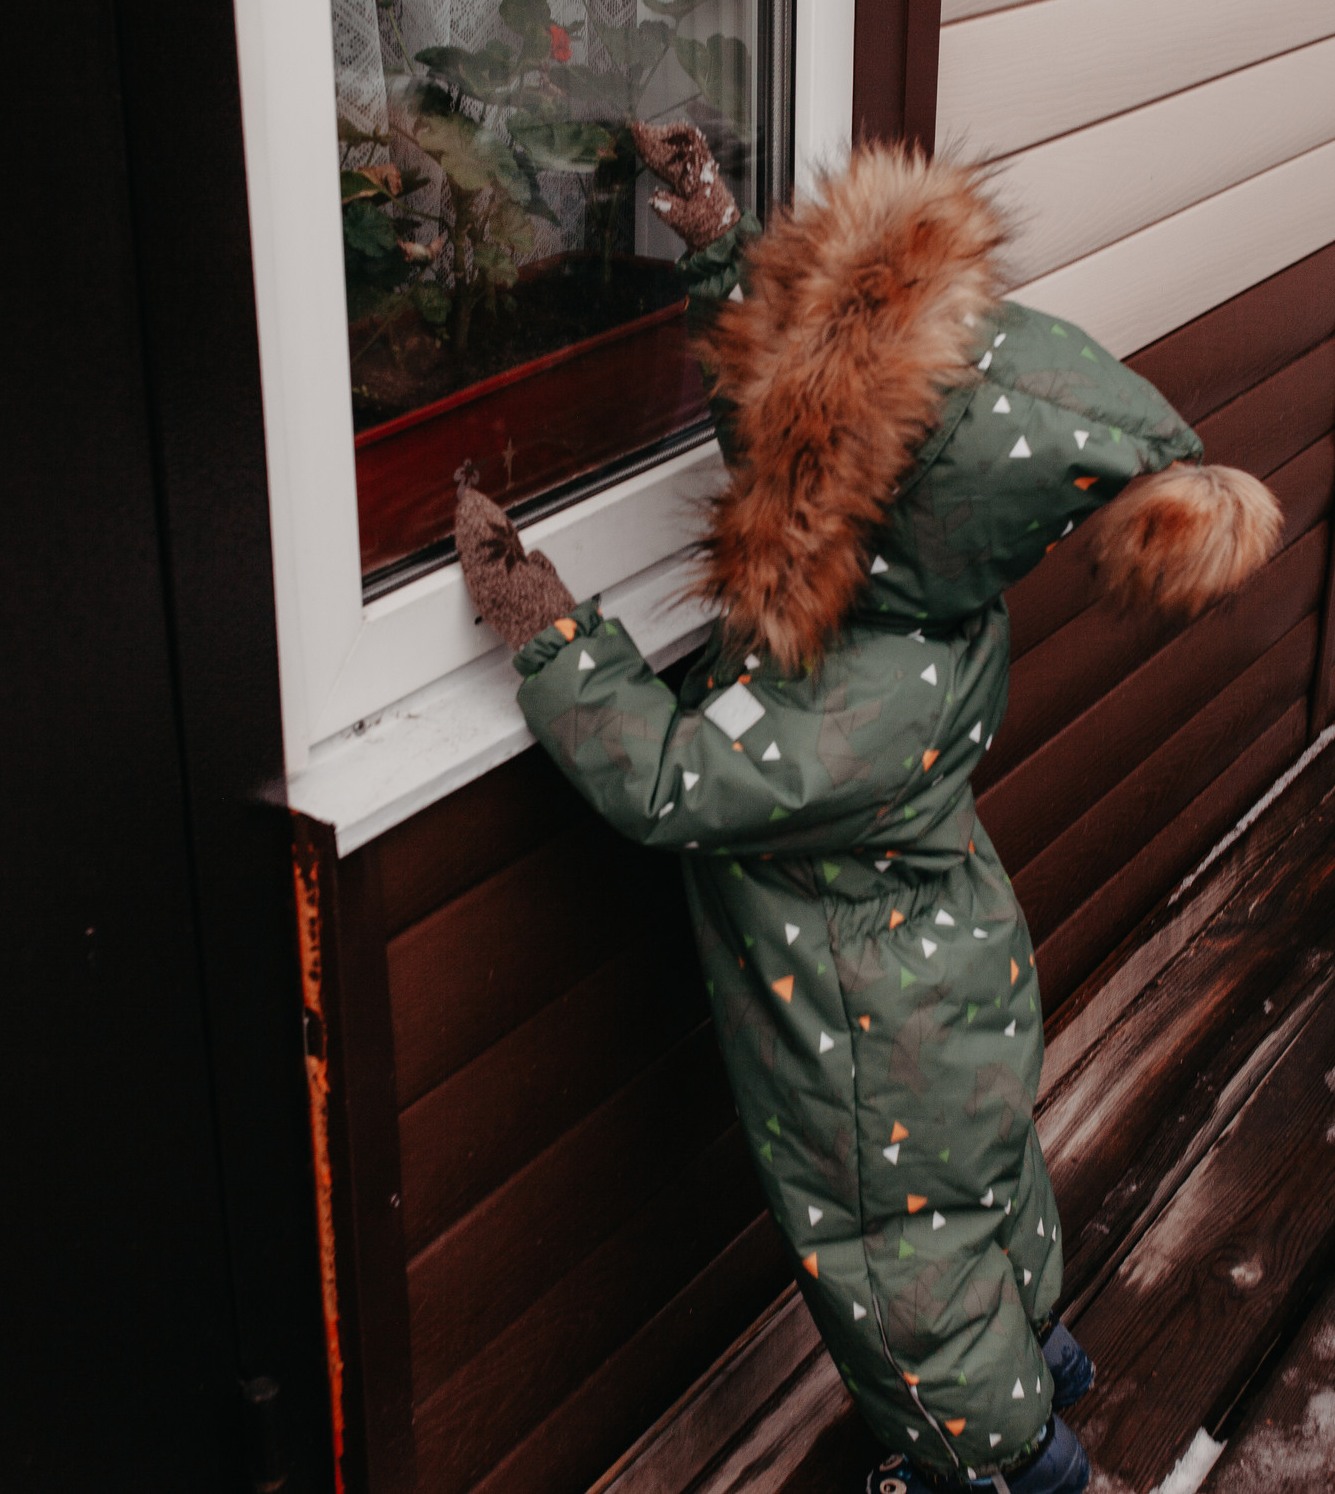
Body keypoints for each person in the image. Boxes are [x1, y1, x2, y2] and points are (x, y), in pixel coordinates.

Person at [455, 142, 1279, 1494]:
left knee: (904, 1276)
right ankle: (1045, 1360)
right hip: (947, 969)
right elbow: (789, 441)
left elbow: (669, 781)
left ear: (883, 497)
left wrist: (553, 637)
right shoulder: (914, 588)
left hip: (866, 1041)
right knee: (984, 1203)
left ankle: (1008, 1463)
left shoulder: (858, 691)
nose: (783, 437)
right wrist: (719, 247)